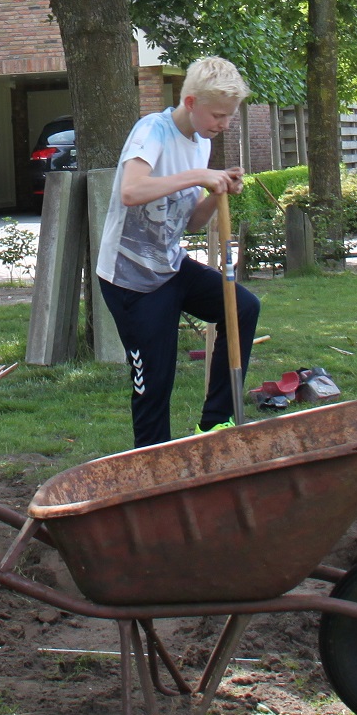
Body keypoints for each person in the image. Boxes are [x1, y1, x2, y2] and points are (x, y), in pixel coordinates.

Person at [93, 56, 259, 448]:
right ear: (190, 102)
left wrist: (215, 192)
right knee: (156, 380)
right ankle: (152, 465)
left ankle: (215, 422)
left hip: (170, 265)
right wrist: (200, 176)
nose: (223, 124)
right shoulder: (152, 130)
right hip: (130, 278)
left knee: (243, 307)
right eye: (218, 115)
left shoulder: (200, 143)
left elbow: (191, 223)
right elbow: (131, 191)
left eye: (229, 116)